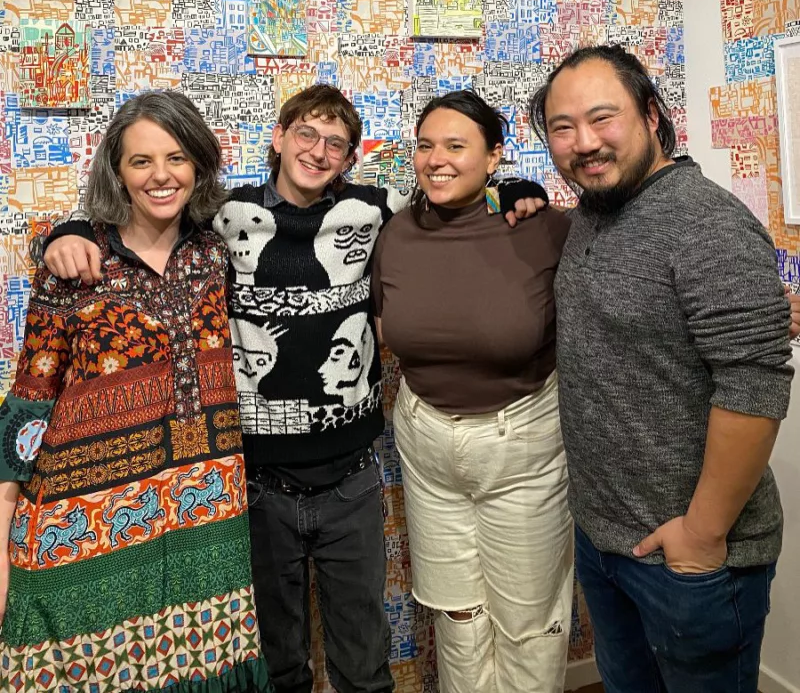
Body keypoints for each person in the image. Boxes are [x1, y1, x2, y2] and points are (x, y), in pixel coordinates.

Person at [41, 84, 546, 693]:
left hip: (352, 479)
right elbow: (143, 214)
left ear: (350, 158)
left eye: (337, 142)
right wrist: (67, 229)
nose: (319, 149)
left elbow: (450, 192)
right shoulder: (222, 217)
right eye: (306, 132)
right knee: (278, 661)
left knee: (363, 660)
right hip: (255, 483)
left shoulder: (376, 211)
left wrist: (514, 189)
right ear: (278, 139)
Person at [528, 44, 794, 693]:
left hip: (692, 558)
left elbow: (755, 386)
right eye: (562, 128)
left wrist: (701, 537)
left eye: (602, 118)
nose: (583, 143)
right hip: (606, 541)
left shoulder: (705, 223)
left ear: (651, 115)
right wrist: (517, 194)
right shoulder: (595, 213)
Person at [0, 90, 270, 692]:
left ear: (198, 163)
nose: (161, 175)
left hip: (205, 514)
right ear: (116, 172)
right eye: (140, 161)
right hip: (83, 523)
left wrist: (508, 192)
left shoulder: (216, 251)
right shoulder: (73, 262)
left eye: (176, 157)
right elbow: (28, 405)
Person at [371, 90, 574, 693]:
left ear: (494, 158)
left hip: (523, 445)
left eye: (456, 146)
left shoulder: (542, 229)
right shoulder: (397, 234)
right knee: (456, 614)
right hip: (428, 446)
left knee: (528, 623)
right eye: (426, 145)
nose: (437, 158)